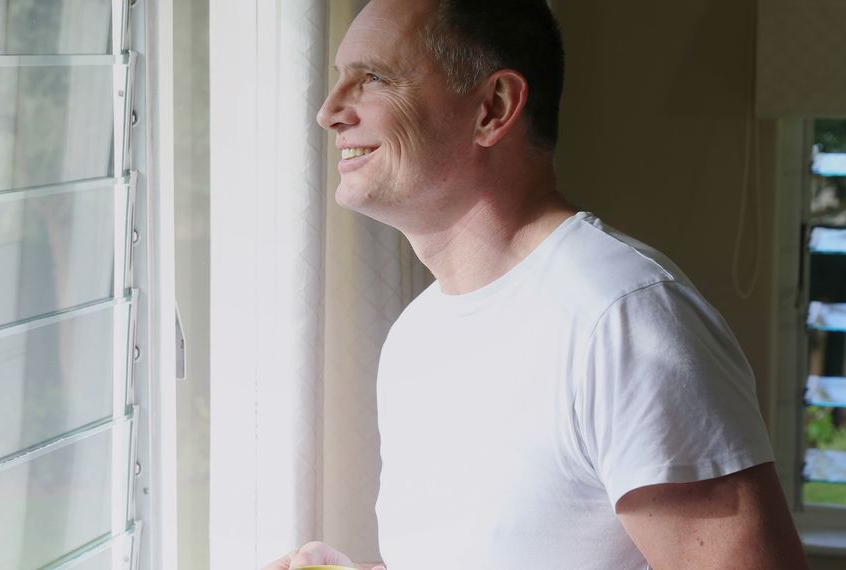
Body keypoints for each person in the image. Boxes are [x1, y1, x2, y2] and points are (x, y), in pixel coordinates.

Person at [264, 0, 808, 568]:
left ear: (493, 108)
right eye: (338, 80)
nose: (328, 112)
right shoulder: (415, 334)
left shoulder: (621, 321)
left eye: (372, 78)